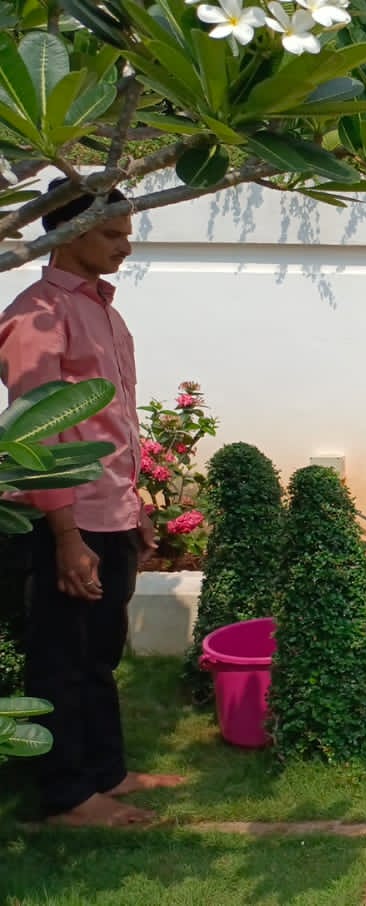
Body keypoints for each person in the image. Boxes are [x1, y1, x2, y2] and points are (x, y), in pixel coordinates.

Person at [0, 181, 183, 826]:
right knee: (60, 658)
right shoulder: (36, 316)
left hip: (112, 514)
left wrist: (137, 506)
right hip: (62, 521)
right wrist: (66, 536)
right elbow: (37, 431)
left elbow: (113, 422)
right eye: (112, 234)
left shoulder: (106, 312)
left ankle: (107, 770)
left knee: (100, 654)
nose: (125, 248)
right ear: (71, 234)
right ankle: (67, 796)